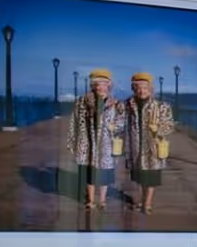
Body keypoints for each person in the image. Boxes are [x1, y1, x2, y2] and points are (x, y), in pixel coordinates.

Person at [120, 71, 175, 215]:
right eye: (137, 87)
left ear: (150, 89)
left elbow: (169, 125)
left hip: (152, 148)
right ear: (133, 89)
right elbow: (117, 119)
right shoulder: (127, 105)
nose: (141, 90)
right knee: (138, 177)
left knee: (151, 177)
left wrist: (159, 129)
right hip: (134, 147)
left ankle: (147, 203)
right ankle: (139, 200)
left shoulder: (161, 106)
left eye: (144, 87)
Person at [67, 68, 120, 216]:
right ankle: (90, 200)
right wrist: (73, 141)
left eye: (103, 84)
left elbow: (122, 122)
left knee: (104, 172)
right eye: (96, 84)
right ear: (92, 85)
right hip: (87, 141)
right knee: (89, 171)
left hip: (106, 143)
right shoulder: (82, 102)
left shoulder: (115, 103)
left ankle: (102, 200)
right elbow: (74, 122)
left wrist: (115, 127)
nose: (100, 87)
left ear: (109, 85)